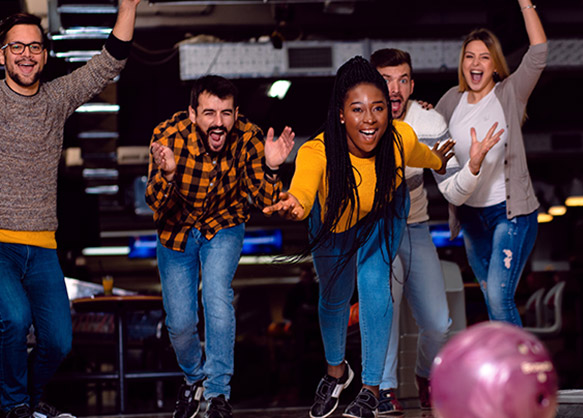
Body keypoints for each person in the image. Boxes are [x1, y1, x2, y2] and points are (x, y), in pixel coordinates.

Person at [263, 56, 451, 418]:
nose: (370, 120)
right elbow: (302, 192)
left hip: (383, 213)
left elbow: (425, 156)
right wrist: (293, 204)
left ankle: (371, 389)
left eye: (378, 108)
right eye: (358, 109)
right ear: (340, 114)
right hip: (332, 219)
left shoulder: (400, 138)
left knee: (375, 286)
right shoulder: (317, 151)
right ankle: (336, 374)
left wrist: (441, 161)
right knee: (333, 297)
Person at [0, 1, 139, 417]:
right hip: (0, 243)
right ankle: (14, 407)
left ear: (45, 53)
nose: (27, 54)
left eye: (35, 47)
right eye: (16, 47)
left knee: (59, 340)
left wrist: (128, 6)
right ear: (1, 54)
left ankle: (28, 400)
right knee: (14, 318)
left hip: (42, 246)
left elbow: (109, 61)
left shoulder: (56, 98)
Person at [145, 75, 295, 418]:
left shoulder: (249, 136)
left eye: (226, 113)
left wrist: (272, 167)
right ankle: (194, 378)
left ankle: (217, 394)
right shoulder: (167, 136)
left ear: (236, 113)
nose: (218, 122)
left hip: (224, 225)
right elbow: (154, 201)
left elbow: (265, 199)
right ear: (192, 113)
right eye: (209, 113)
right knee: (180, 322)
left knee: (216, 296)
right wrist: (168, 175)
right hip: (176, 229)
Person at [369, 48, 502, 414]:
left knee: (438, 322)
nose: (393, 89)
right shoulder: (359, 120)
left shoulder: (428, 122)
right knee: (386, 311)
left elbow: (450, 188)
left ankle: (426, 374)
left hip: (415, 228)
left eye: (402, 80)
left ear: (411, 85)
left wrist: (472, 168)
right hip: (375, 233)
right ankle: (384, 389)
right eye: (384, 80)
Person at [434, 1, 548, 326]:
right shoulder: (449, 101)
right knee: (490, 297)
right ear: (462, 64)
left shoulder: (509, 93)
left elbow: (539, 51)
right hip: (471, 218)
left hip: (508, 214)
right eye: (470, 56)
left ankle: (519, 372)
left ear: (495, 65)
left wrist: (526, 4)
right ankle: (506, 370)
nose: (476, 62)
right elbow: (428, 140)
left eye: (484, 56)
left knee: (499, 297)